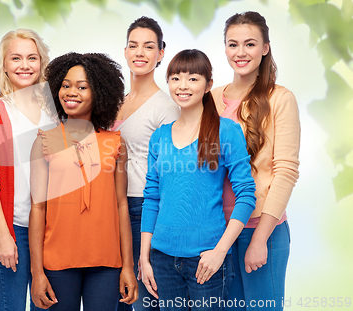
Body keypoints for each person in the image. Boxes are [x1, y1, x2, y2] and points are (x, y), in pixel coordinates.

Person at [140, 49, 257, 311]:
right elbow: (152, 196)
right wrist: (144, 257)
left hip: (206, 258)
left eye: (193, 78)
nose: (183, 86)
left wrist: (220, 252)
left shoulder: (226, 131)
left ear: (208, 85)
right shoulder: (159, 137)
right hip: (162, 258)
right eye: (175, 78)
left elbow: (247, 195)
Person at [29, 52, 138, 310]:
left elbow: (122, 205)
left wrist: (128, 267)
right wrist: (37, 273)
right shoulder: (44, 141)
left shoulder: (115, 143)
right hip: (57, 263)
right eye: (65, 85)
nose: (71, 92)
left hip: (106, 263)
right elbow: (38, 208)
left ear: (99, 92)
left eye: (81, 86)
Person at [211, 11, 300, 310]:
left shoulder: (280, 99)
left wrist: (261, 238)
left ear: (265, 48)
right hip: (217, 232)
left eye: (250, 44)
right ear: (224, 48)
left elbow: (285, 172)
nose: (240, 52)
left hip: (262, 229)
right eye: (232, 44)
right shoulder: (209, 98)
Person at [0, 28, 56, 311]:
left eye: (32, 58)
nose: (24, 65)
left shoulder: (56, 112)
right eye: (16, 58)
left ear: (42, 62)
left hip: (52, 230)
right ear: (4, 66)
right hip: (13, 230)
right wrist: (4, 234)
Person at [113, 16, 180, 311]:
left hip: (143, 209)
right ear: (125, 51)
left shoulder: (167, 107)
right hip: (110, 206)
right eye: (133, 46)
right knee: (115, 297)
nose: (140, 53)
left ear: (160, 54)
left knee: (142, 299)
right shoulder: (114, 102)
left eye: (148, 46)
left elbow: (170, 174)